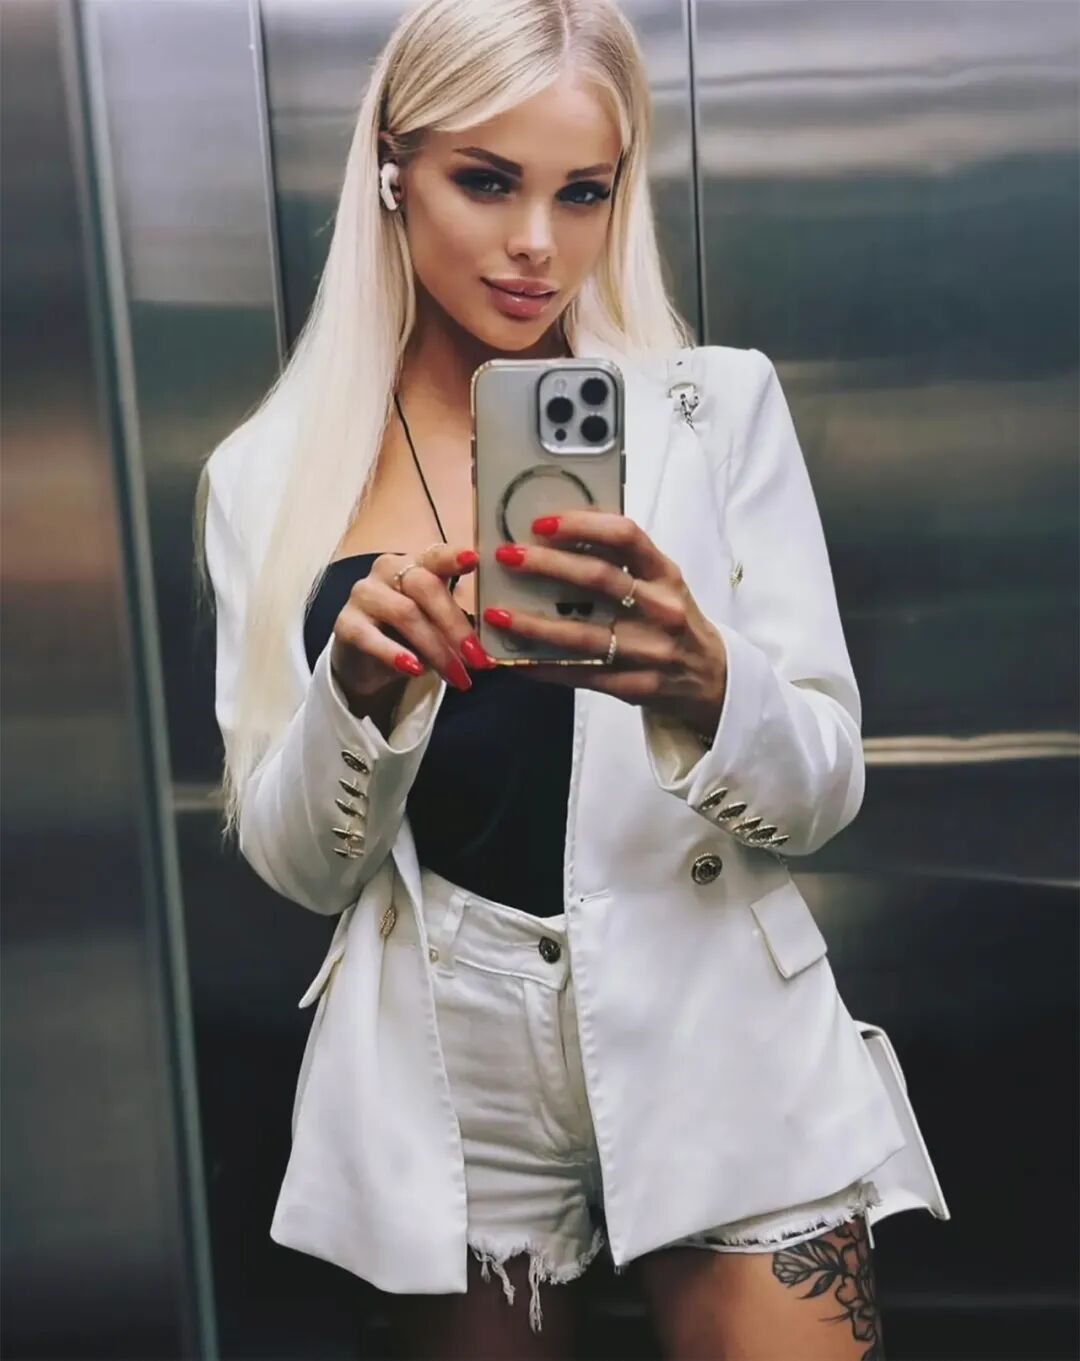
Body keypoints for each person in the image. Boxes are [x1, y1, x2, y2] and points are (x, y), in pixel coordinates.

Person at [195, 0, 950, 1356]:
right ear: (393, 170)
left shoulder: (713, 412)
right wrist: (353, 698)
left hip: (717, 1017)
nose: (539, 241)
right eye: (487, 181)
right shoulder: (269, 475)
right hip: (448, 1065)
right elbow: (298, 866)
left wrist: (709, 687)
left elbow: (826, 789)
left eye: (583, 191)